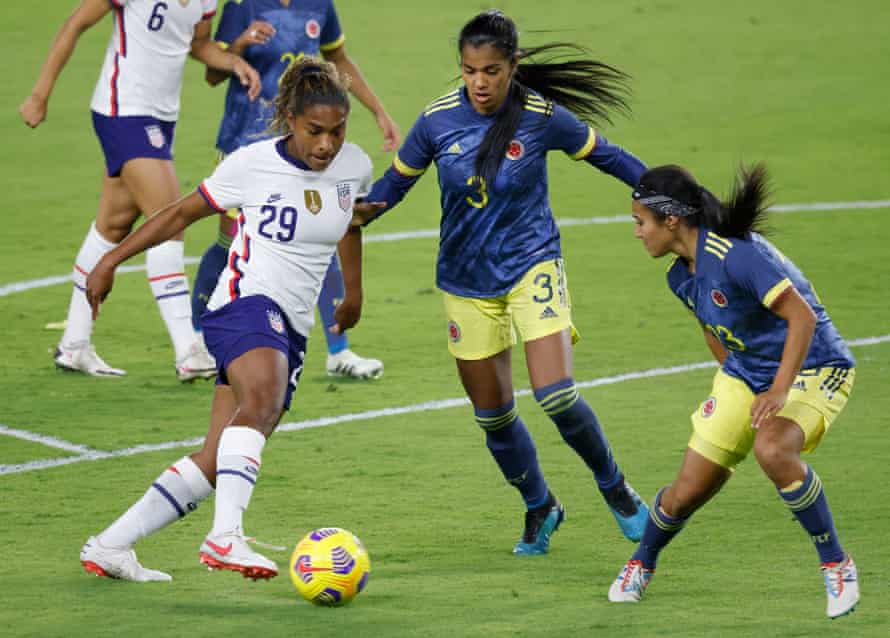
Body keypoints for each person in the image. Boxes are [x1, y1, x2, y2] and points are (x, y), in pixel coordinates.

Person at [358, 10, 649, 554]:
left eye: (492, 70)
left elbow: (608, 157)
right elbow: (392, 187)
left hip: (531, 264)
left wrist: (666, 192)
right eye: (470, 71)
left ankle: (618, 492)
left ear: (513, 66)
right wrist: (354, 212)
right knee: (493, 415)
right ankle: (540, 506)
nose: (481, 82)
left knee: (557, 395)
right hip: (465, 281)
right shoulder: (436, 121)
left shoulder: (540, 117)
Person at [79, 58, 382, 581]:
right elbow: (177, 214)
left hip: (291, 327)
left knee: (219, 457)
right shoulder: (250, 164)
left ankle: (110, 545)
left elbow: (350, 222)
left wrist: (352, 294)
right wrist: (109, 260)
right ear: (290, 118)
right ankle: (225, 538)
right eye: (315, 131)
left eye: (337, 131)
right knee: (261, 404)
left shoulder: (353, 166)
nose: (327, 145)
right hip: (241, 305)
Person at [607, 163, 859, 619]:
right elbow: (712, 328)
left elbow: (801, 317)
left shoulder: (736, 256)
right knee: (686, 491)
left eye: (639, 222)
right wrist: (737, 383)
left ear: (671, 220)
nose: (636, 233)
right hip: (749, 374)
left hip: (814, 366)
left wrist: (780, 391)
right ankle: (641, 563)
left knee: (773, 449)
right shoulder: (679, 276)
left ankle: (836, 564)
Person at [19, 0, 260, 381]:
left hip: (162, 117)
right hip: (123, 110)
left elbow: (197, 45)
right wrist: (39, 94)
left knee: (112, 227)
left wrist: (234, 61)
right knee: (169, 219)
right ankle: (188, 351)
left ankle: (74, 345)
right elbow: (76, 24)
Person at [190, 0, 400, 380]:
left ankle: (338, 350)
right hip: (247, 143)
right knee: (230, 244)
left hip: (304, 148)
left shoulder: (319, 4)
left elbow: (339, 60)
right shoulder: (243, 4)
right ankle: (198, 339)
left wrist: (378, 110)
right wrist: (239, 44)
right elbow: (212, 75)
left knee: (321, 234)